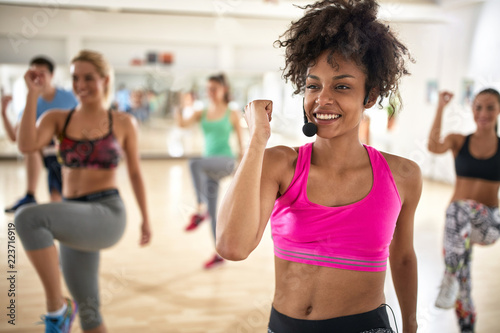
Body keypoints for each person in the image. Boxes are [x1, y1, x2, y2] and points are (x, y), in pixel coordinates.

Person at [216, 1, 421, 332]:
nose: (322, 99)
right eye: (313, 85)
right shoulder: (281, 164)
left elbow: (403, 257)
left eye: (341, 86)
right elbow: (232, 246)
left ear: (370, 95)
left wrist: (411, 326)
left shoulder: (403, 175)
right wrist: (257, 140)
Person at [14, 49, 151, 333]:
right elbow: (26, 145)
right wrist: (32, 94)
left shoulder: (123, 122)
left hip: (106, 213)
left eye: (89, 78)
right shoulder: (57, 118)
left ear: (104, 79)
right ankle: (66, 310)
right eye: (76, 78)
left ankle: (56, 309)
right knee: (90, 312)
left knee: (28, 218)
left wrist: (145, 218)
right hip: (73, 213)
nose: (81, 85)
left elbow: (136, 173)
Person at [428, 89, 500, 333]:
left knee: (459, 207)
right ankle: (467, 326)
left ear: (498, 110)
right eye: (478, 107)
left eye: (490, 107)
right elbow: (433, 146)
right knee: (462, 282)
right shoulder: (460, 140)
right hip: (457, 229)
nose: (483, 113)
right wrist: (440, 107)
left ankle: (448, 275)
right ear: (472, 110)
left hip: (487, 224)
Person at [175, 73, 244, 269]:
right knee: (214, 213)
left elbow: (240, 143)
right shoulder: (202, 112)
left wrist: (242, 168)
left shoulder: (232, 113)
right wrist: (180, 104)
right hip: (209, 166)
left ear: (224, 90)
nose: (210, 93)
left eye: (214, 89)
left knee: (193, 164)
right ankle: (218, 253)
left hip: (226, 162)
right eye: (208, 89)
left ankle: (199, 208)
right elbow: (182, 124)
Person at [2, 56, 78, 212]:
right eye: (34, 74)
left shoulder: (69, 98)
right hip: (46, 153)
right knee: (31, 148)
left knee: (58, 198)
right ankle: (30, 195)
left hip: (68, 150)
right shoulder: (31, 103)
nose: (38, 77)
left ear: (52, 75)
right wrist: (2, 113)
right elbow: (15, 138)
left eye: (42, 73)